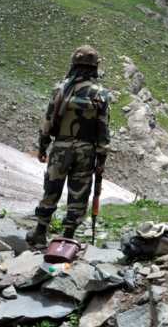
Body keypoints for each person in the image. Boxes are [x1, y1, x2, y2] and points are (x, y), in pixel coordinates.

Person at [26, 45, 110, 247]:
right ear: (94, 68)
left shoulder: (60, 89)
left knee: (51, 189)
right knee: (79, 193)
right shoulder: (101, 94)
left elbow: (47, 122)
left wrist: (42, 146)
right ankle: (68, 236)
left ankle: (40, 231)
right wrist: (101, 158)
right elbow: (103, 129)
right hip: (86, 150)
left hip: (61, 147)